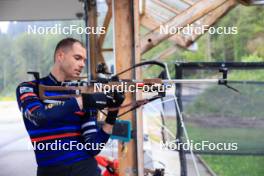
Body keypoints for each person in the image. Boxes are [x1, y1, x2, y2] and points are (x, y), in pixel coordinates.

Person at [16, 37, 124, 176]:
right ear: (60, 56)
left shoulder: (82, 92)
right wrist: (83, 101)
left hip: (85, 168)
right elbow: (39, 116)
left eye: (84, 60)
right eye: (77, 58)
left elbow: (93, 147)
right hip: (50, 171)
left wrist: (113, 113)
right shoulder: (29, 88)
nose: (82, 64)